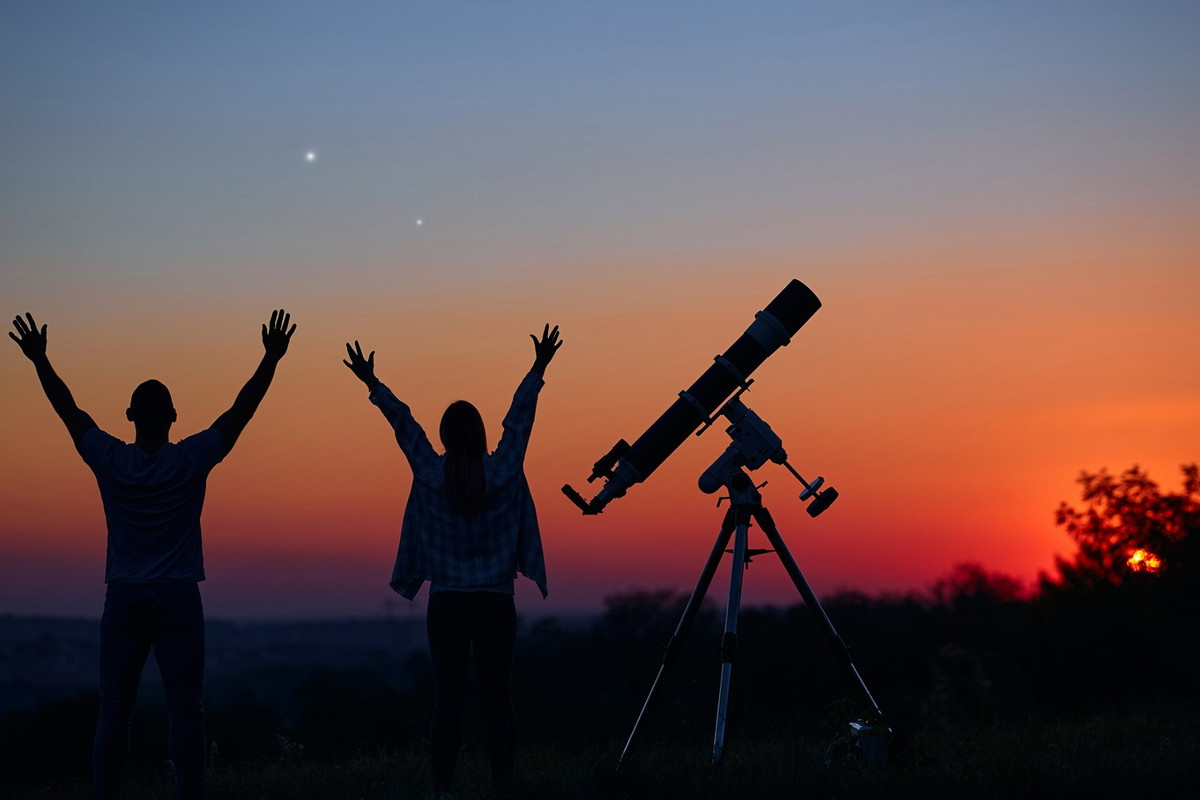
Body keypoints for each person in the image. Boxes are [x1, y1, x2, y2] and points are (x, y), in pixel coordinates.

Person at [8, 309, 297, 800]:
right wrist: (269, 359)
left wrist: (40, 360)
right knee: (186, 710)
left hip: (123, 596)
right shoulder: (189, 459)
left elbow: (69, 411)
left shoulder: (111, 460)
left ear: (129, 417)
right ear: (173, 418)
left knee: (113, 711)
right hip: (178, 596)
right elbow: (239, 412)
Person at [343, 324, 562, 800]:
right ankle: (503, 784)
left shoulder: (430, 472)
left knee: (449, 699)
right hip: (495, 603)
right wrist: (539, 367)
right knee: (498, 696)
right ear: (480, 433)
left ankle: (442, 789)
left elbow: (405, 425)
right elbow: (519, 420)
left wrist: (371, 383)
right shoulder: (503, 471)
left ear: (444, 435)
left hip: (446, 603)